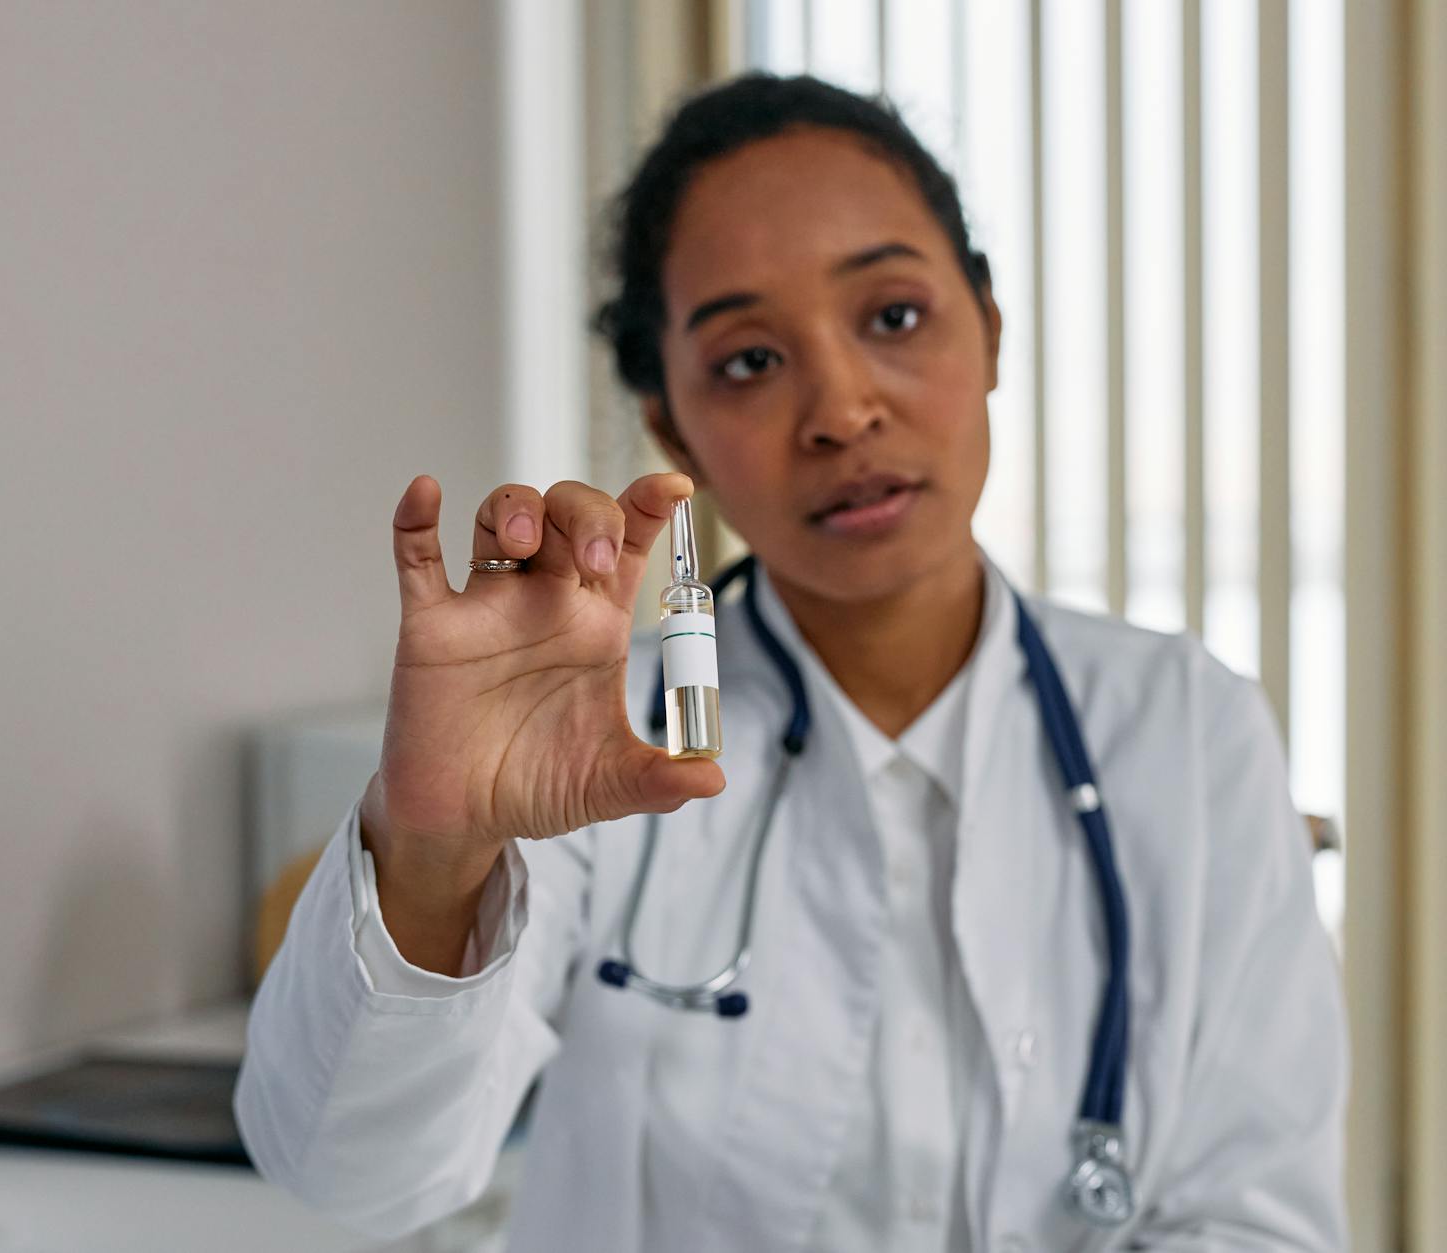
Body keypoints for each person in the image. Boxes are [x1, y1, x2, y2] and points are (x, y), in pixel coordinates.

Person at [234, 74, 1347, 1252]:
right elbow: (348, 1174)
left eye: (893, 316)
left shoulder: (1181, 726)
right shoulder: (596, 744)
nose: (840, 408)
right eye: (750, 361)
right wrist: (436, 846)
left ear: (990, 330)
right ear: (671, 428)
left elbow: (1254, 1217)